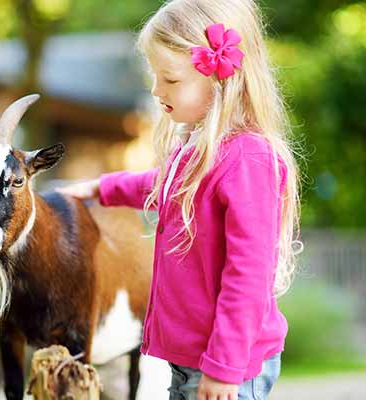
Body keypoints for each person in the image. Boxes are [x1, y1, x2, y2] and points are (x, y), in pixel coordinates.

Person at [57, 1, 303, 399]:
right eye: (154, 77)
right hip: (194, 361)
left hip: (227, 367)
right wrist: (103, 188)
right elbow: (163, 186)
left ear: (221, 79)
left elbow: (249, 274)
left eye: (169, 79)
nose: (156, 90)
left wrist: (224, 367)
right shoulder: (199, 151)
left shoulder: (247, 158)